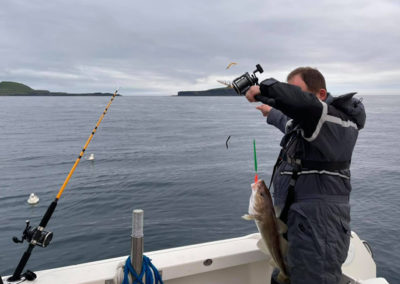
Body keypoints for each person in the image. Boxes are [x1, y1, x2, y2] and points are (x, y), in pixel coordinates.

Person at [245, 67, 366, 284]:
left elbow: (301, 105)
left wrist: (263, 88)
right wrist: (270, 111)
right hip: (296, 223)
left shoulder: (333, 121)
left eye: (297, 92)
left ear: (320, 95)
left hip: (319, 229)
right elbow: (288, 121)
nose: (293, 100)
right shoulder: (311, 123)